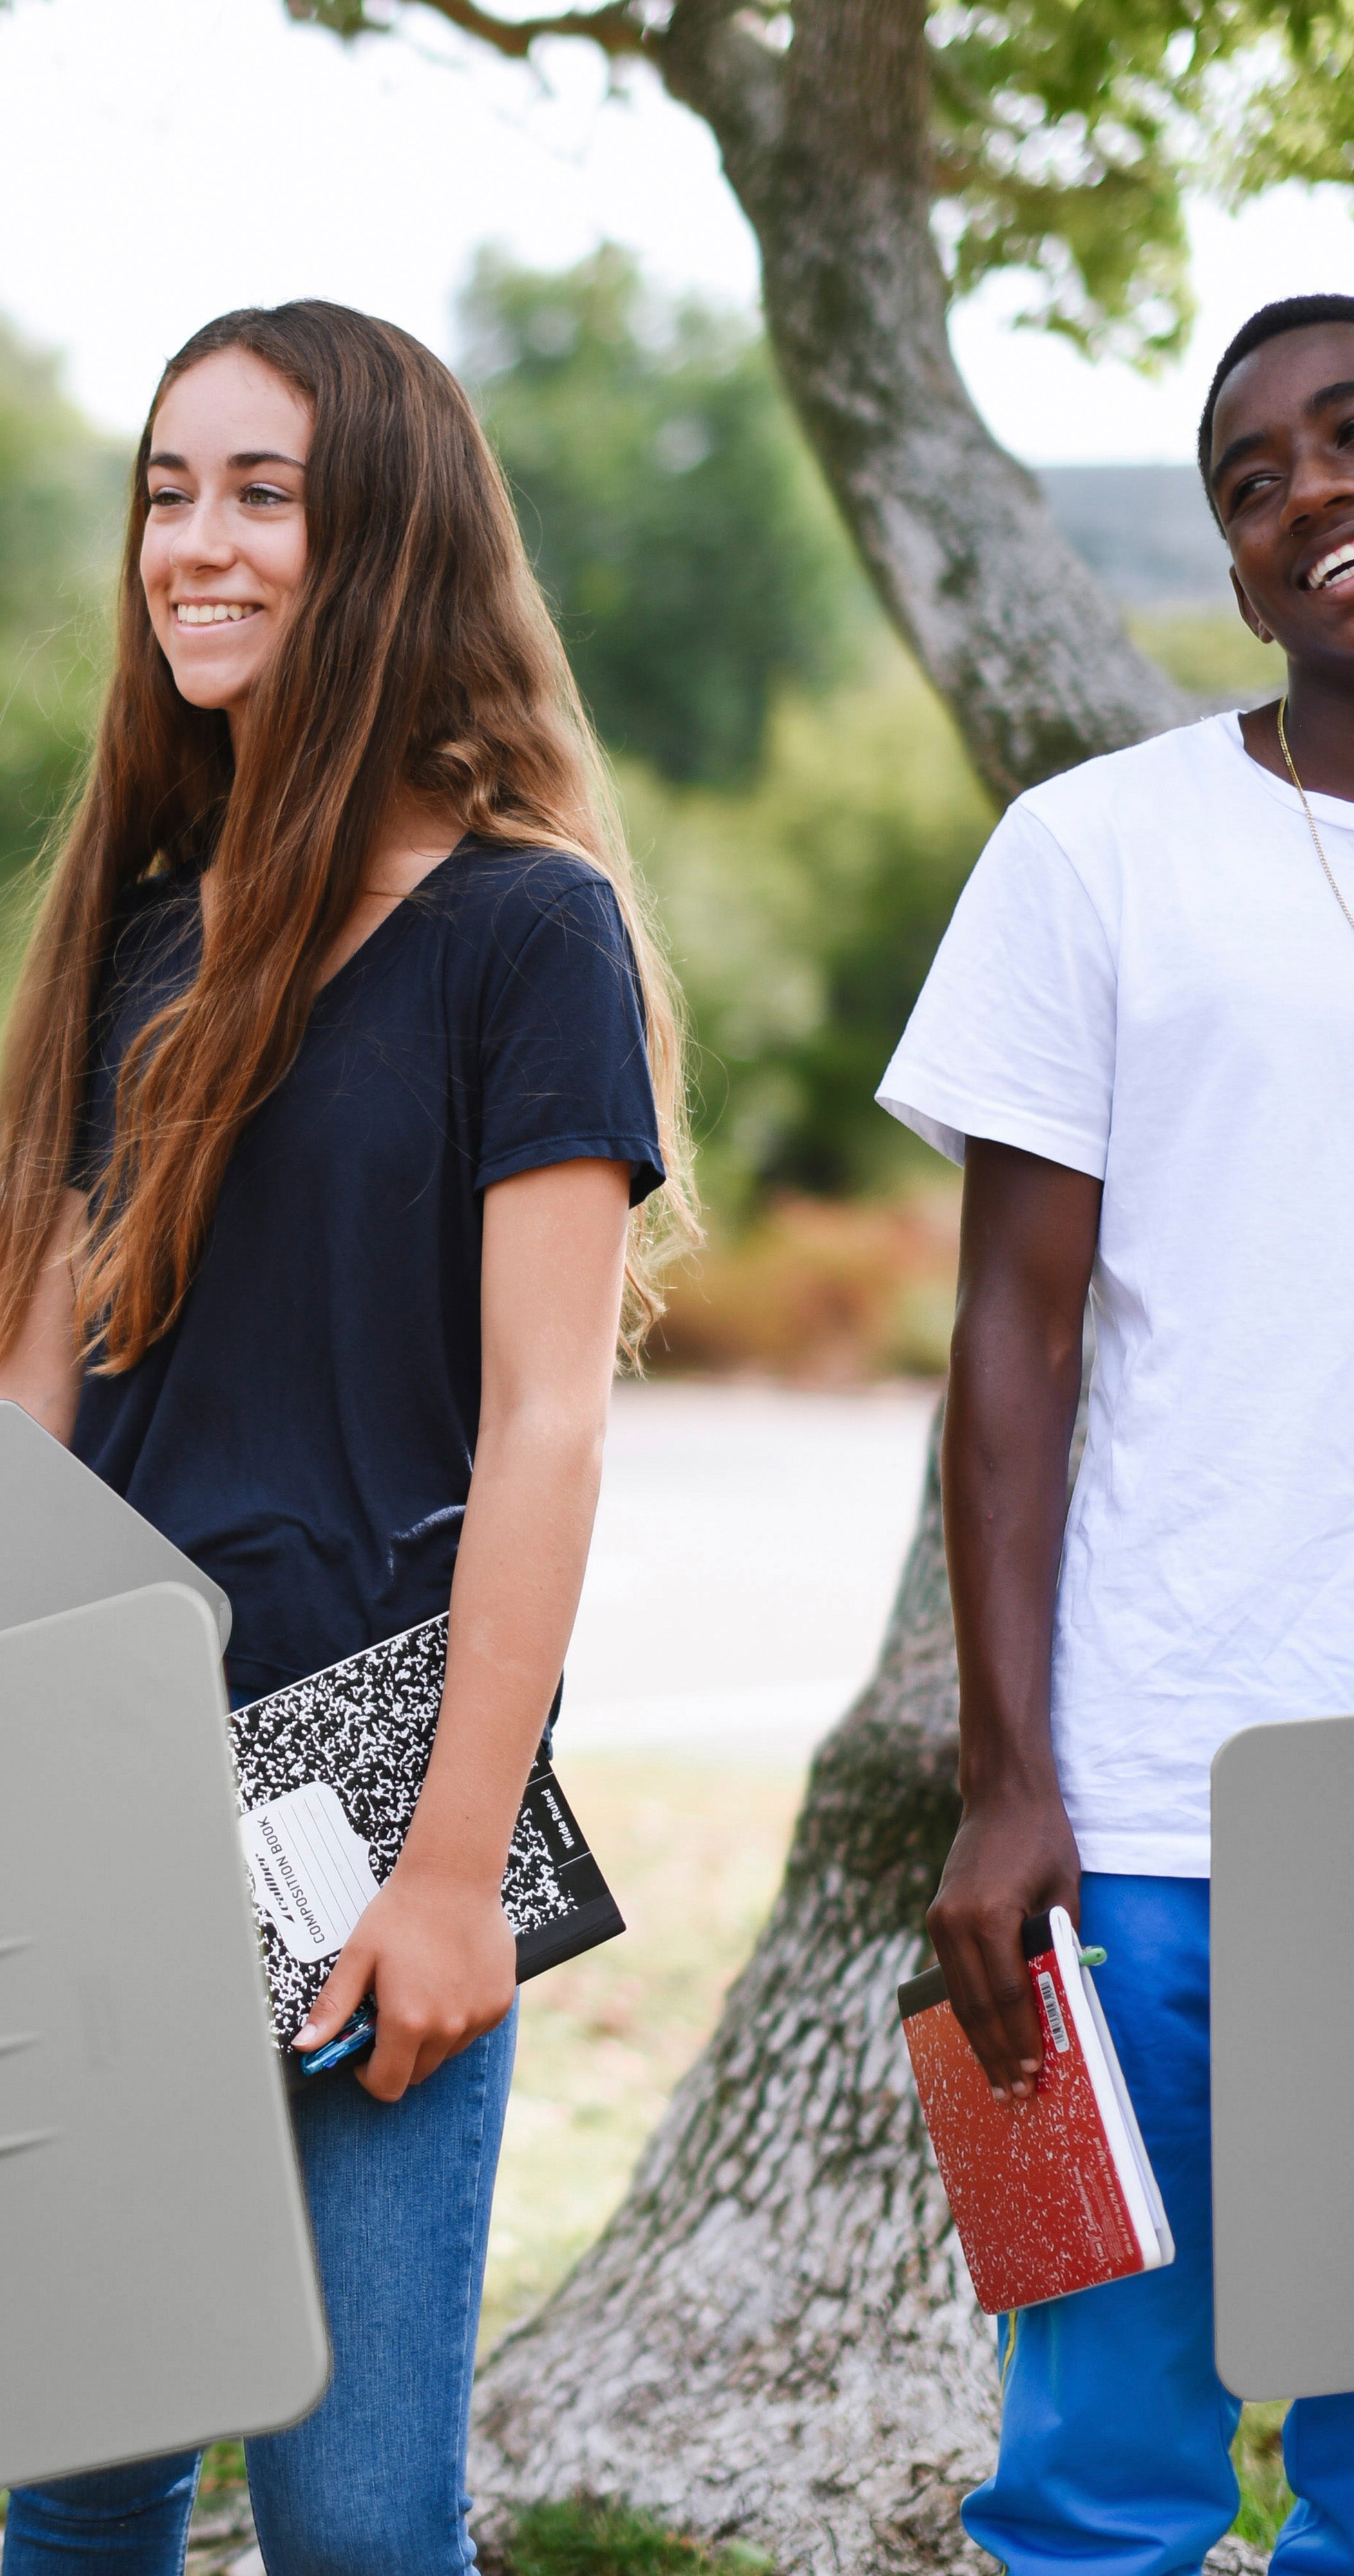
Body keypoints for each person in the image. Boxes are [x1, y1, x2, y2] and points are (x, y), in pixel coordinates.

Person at [0, 300, 687, 2576]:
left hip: (372, 1781)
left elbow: (552, 1423)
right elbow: (20, 1395)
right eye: (168, 490)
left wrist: (454, 1863)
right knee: (81, 2488)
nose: (196, 543)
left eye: (262, 490)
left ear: (386, 541)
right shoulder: (143, 938)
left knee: (360, 2528)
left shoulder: (526, 934)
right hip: (102, 1767)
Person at [888, 292, 1354, 2576]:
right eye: (1250, 480)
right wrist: (1003, 1782)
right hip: (1150, 1810)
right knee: (1100, 2484)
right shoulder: (1094, 855)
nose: (1306, 495)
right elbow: (1011, 1349)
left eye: (1346, 435)